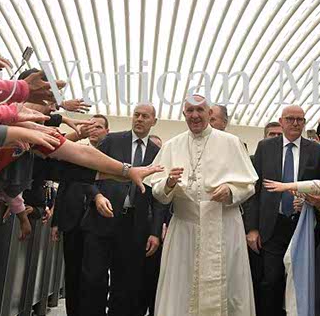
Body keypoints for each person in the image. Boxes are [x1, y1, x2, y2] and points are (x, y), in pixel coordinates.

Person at [147, 95, 258, 316]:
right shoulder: (171, 146)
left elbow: (249, 185)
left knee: (229, 286)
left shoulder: (231, 143)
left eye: (200, 110)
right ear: (184, 114)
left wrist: (231, 191)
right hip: (185, 230)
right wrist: (169, 183)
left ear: (209, 113)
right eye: (190, 111)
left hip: (225, 226)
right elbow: (157, 192)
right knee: (182, 286)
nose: (195, 115)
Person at [244, 105, 320, 316]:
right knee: (271, 281)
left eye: (300, 119)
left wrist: (310, 201)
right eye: (290, 119)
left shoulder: (316, 150)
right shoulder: (265, 147)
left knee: (300, 281)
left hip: (303, 225)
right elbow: (254, 191)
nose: (295, 123)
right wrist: (252, 228)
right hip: (271, 226)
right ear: (281, 122)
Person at [80, 103, 165, 316]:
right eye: (136, 115)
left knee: (125, 284)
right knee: (93, 279)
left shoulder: (159, 153)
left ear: (154, 121)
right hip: (102, 219)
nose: (139, 119)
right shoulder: (112, 141)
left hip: (134, 227)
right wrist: (97, 196)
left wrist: (155, 232)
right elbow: (87, 173)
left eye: (145, 116)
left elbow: (159, 197)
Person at [51, 114, 109, 316]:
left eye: (98, 127)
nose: (94, 130)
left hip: (99, 222)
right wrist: (56, 222)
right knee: (73, 272)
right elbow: (63, 187)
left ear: (107, 131)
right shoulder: (75, 153)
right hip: (72, 221)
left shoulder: (111, 157)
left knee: (95, 274)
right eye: (91, 126)